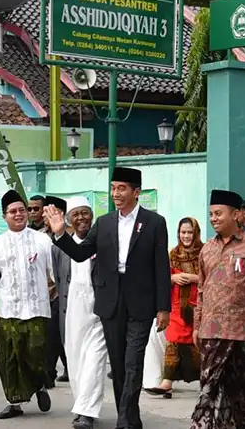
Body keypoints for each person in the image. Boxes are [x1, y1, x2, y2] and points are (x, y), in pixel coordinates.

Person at [44, 166, 171, 429]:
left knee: (133, 361)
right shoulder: (104, 223)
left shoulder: (154, 223)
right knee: (119, 364)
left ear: (136, 192)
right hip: (110, 301)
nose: (116, 194)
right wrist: (60, 234)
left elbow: (161, 266)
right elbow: (80, 254)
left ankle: (125, 421)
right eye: (113, 188)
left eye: (122, 188)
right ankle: (130, 417)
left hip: (141, 302)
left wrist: (163, 307)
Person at [191, 189, 245, 429]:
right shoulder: (206, 249)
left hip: (244, 333)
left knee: (242, 391)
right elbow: (202, 290)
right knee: (210, 390)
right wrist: (197, 326)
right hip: (211, 332)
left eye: (218, 213)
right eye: (211, 214)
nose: (213, 218)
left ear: (236, 214)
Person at [0, 190, 52, 419]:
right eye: (12, 211)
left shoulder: (42, 240)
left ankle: (40, 385)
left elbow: (56, 272)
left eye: (22, 210)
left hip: (38, 309)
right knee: (9, 359)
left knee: (35, 354)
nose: (18, 215)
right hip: (9, 310)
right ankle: (14, 402)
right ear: (4, 215)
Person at [52, 196, 106, 429]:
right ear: (69, 220)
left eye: (85, 213)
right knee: (75, 361)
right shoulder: (60, 247)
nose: (82, 218)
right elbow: (57, 279)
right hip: (72, 310)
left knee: (95, 360)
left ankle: (86, 413)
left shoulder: (103, 242)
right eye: (76, 214)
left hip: (100, 310)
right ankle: (82, 406)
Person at [145, 217, 203, 398]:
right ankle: (167, 382)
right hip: (177, 305)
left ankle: (207, 381)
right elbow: (161, 277)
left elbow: (214, 277)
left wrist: (194, 278)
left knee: (199, 343)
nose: (186, 236)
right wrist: (173, 279)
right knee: (174, 340)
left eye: (189, 232)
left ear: (196, 233)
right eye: (182, 232)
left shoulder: (205, 252)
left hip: (200, 305)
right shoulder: (172, 254)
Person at [45, 195, 69, 386]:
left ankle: (49, 373)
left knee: (55, 335)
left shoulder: (66, 236)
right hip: (46, 294)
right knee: (55, 334)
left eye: (48, 211)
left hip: (59, 293)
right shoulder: (42, 235)